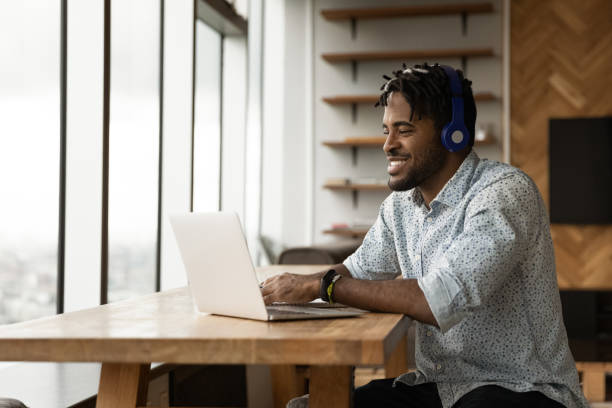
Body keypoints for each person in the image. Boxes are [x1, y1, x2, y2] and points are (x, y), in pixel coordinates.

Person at [260, 62, 589, 408]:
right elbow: (358, 271)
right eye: (386, 130)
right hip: (441, 387)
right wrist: (297, 284)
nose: (388, 144)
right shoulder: (399, 207)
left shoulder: (504, 193)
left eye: (404, 130)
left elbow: (439, 298)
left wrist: (323, 285)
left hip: (523, 389)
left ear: (453, 133)